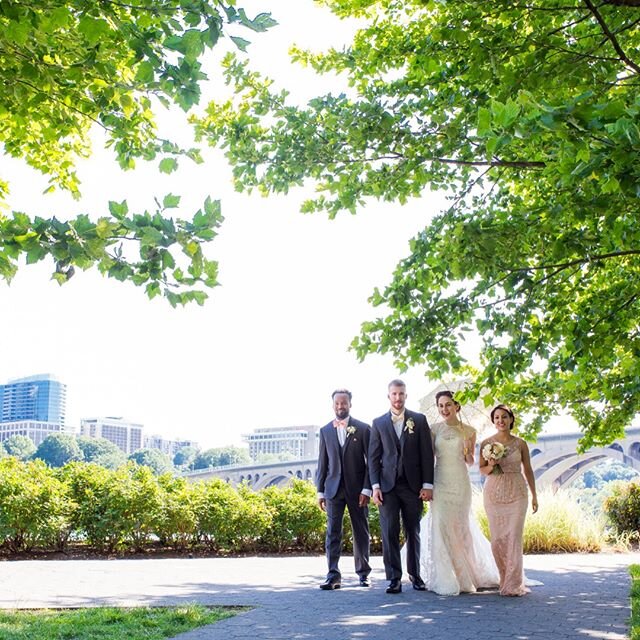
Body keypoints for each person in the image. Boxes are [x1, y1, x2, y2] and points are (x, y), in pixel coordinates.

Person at [416, 390, 500, 595]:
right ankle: (446, 577)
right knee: (442, 524)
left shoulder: (469, 431)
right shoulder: (433, 429)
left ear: (457, 406)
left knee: (461, 528)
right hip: (441, 481)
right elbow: (429, 457)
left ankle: (467, 574)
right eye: (441, 406)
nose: (444, 409)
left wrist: (466, 451)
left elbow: (471, 461)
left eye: (448, 405)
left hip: (460, 483)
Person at [369, 379, 434, 594]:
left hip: (413, 486)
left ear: (406, 395)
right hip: (387, 486)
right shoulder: (378, 423)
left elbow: (426, 455)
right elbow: (373, 457)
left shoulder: (419, 420)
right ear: (388, 396)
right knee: (389, 532)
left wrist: (427, 485)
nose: (398, 398)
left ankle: (415, 576)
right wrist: (375, 486)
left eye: (401, 394)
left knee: (412, 530)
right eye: (394, 394)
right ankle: (394, 578)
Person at [480, 403, 539, 597]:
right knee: (497, 540)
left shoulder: (520, 443)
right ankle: (504, 577)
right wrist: (491, 465)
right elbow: (482, 470)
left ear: (511, 419)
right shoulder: (486, 444)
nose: (500, 421)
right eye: (497, 417)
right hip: (494, 494)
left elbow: (528, 469)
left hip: (517, 493)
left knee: (514, 537)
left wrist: (534, 495)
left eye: (504, 417)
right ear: (493, 421)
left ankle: (513, 584)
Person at [316, 389, 372, 589]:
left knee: (361, 531)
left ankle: (363, 573)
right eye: (337, 403)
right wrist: (320, 491)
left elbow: (371, 463)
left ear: (350, 404)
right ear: (333, 405)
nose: (341, 406)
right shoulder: (325, 431)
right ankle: (333, 575)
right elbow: (322, 463)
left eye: (344, 403)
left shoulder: (364, 428)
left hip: (358, 490)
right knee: (332, 532)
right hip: (333, 490)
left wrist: (367, 490)